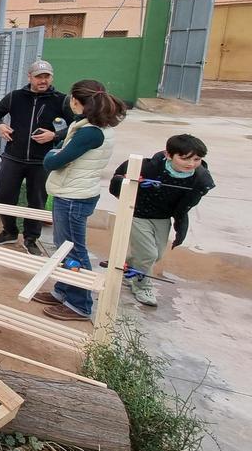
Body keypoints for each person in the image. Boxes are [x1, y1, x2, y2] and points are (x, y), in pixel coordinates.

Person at [32, 79, 126, 321]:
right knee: (64, 247)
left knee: (73, 249)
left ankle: (79, 304)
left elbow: (53, 161)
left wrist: (54, 152)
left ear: (77, 101)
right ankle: (63, 290)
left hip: (74, 195)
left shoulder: (90, 133)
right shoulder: (91, 125)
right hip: (73, 191)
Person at [109, 134, 215, 307]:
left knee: (155, 255)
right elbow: (118, 180)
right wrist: (130, 181)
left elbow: (188, 203)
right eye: (184, 158)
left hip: (162, 217)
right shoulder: (148, 167)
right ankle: (143, 286)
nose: (191, 164)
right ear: (168, 155)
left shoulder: (200, 178)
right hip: (137, 214)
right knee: (148, 254)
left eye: (196, 159)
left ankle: (129, 267)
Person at [0, 60, 73, 255]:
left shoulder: (61, 100)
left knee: (37, 200)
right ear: (30, 77)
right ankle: (9, 231)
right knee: (5, 194)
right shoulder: (16, 97)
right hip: (13, 156)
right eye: (39, 77)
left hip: (41, 160)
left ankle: (31, 238)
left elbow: (75, 125)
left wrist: (55, 135)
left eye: (46, 76)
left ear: (51, 77)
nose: (43, 80)